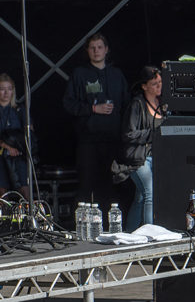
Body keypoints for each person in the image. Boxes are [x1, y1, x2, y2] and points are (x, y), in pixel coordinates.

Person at [63, 33, 130, 211]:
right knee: (87, 184)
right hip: (88, 140)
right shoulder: (80, 74)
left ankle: (112, 226)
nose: (96, 51)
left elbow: (127, 105)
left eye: (100, 47)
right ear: (87, 51)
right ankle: (83, 227)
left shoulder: (117, 75)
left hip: (113, 140)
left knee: (112, 185)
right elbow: (68, 104)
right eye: (92, 48)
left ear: (106, 50)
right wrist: (93, 109)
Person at [120, 66, 163, 231]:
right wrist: (153, 134)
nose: (159, 86)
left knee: (140, 198)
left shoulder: (163, 104)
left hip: (156, 156)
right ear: (144, 86)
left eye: (160, 82)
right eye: (154, 84)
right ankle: (150, 235)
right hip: (139, 158)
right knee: (149, 194)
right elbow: (129, 134)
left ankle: (130, 233)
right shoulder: (137, 104)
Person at [0, 73, 35, 200]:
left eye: (9, 89)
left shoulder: (19, 109)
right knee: (2, 190)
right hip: (2, 154)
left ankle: (27, 213)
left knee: (24, 186)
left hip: (19, 155)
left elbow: (30, 132)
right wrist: (6, 146)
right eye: (2, 89)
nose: (6, 93)